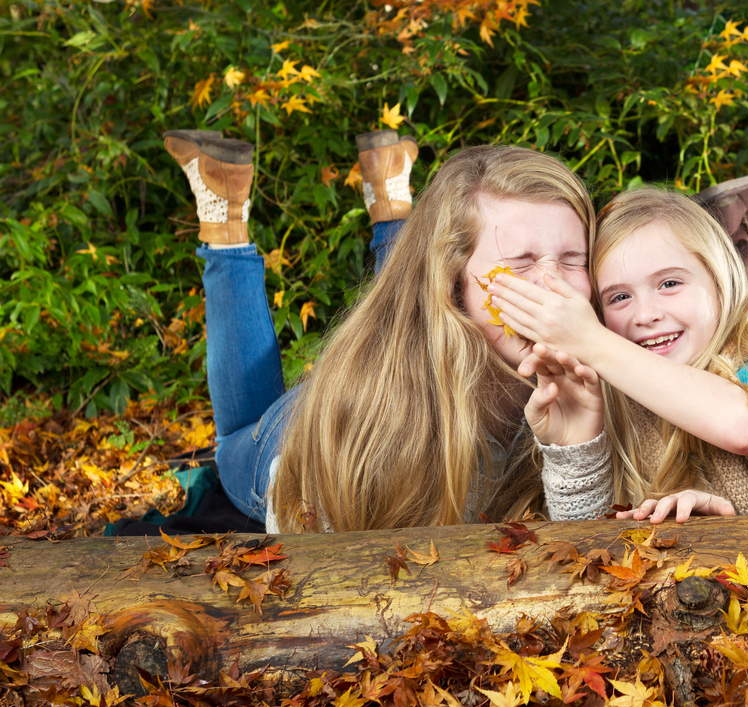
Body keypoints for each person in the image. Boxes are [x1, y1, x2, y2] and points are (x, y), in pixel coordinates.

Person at [162, 129, 621, 533]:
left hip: (390, 366)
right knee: (234, 440)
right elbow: (312, 553)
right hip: (296, 439)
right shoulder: (367, 419)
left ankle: (391, 199)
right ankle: (226, 222)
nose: (552, 286)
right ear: (453, 279)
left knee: (410, 280)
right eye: (519, 264)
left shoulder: (597, 368)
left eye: (572, 260)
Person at [487, 186, 748, 524]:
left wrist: (589, 340)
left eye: (669, 284)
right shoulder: (614, 379)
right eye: (619, 297)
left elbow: (744, 425)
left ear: (720, 281)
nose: (646, 315)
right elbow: (593, 526)